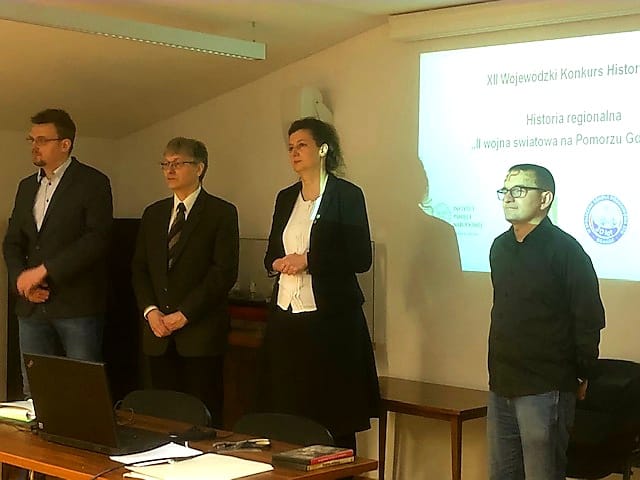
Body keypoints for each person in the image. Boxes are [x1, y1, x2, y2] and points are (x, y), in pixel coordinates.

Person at [258, 117, 379, 451]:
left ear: (323, 149)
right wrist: (277, 263)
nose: (294, 153)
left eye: (302, 145)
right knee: (287, 410)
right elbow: (271, 252)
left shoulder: (347, 195)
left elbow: (360, 257)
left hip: (331, 321)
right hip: (286, 317)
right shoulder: (285, 197)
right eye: (290, 148)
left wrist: (310, 260)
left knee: (331, 413)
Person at [488, 163, 605, 480]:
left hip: (545, 385)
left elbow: (588, 315)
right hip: (502, 382)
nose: (508, 197)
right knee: (502, 474)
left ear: (545, 199)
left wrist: (583, 371)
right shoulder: (499, 247)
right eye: (505, 190)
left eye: (519, 190)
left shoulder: (566, 250)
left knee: (543, 474)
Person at [3, 108, 113, 397]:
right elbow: (13, 241)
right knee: (35, 390)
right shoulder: (26, 186)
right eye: (31, 139)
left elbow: (96, 240)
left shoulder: (92, 182)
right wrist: (21, 281)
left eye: (42, 140)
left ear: (65, 144)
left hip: (76, 305)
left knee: (84, 389)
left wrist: (44, 271)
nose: (34, 146)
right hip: (31, 306)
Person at [131, 137, 239, 427]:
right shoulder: (153, 213)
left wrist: (184, 314)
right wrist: (150, 311)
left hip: (199, 334)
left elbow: (223, 272)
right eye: (165, 164)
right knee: (159, 418)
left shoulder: (221, 212)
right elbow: (140, 268)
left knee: (202, 418)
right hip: (157, 332)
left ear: (199, 168)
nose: (169, 170)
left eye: (178, 163)